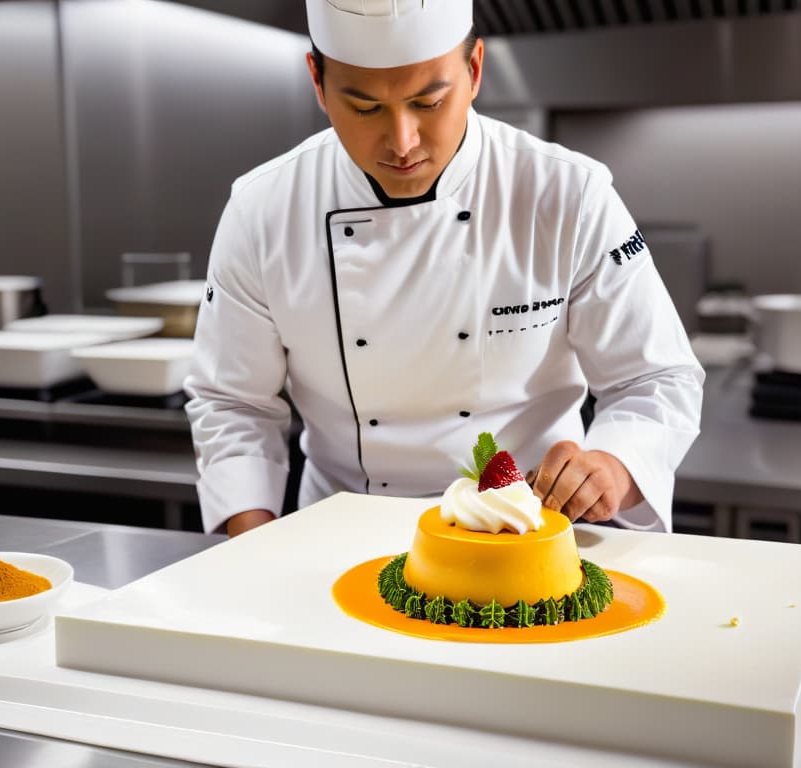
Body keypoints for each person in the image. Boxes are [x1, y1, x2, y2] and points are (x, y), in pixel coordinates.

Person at [184, 0, 704, 538]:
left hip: (526, 536)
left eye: (429, 102)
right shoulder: (263, 209)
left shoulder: (568, 194)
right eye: (364, 108)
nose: (402, 142)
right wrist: (253, 548)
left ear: (475, 70)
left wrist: (614, 466)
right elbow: (232, 403)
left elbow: (657, 378)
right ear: (317, 82)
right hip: (340, 537)